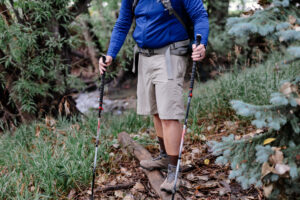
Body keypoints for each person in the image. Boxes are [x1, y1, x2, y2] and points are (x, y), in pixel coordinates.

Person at [99, 0, 209, 193]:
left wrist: (201, 44)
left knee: (169, 113)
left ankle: (174, 172)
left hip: (171, 54)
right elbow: (123, 22)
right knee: (156, 111)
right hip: (144, 57)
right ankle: (165, 155)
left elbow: (199, 15)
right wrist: (110, 54)